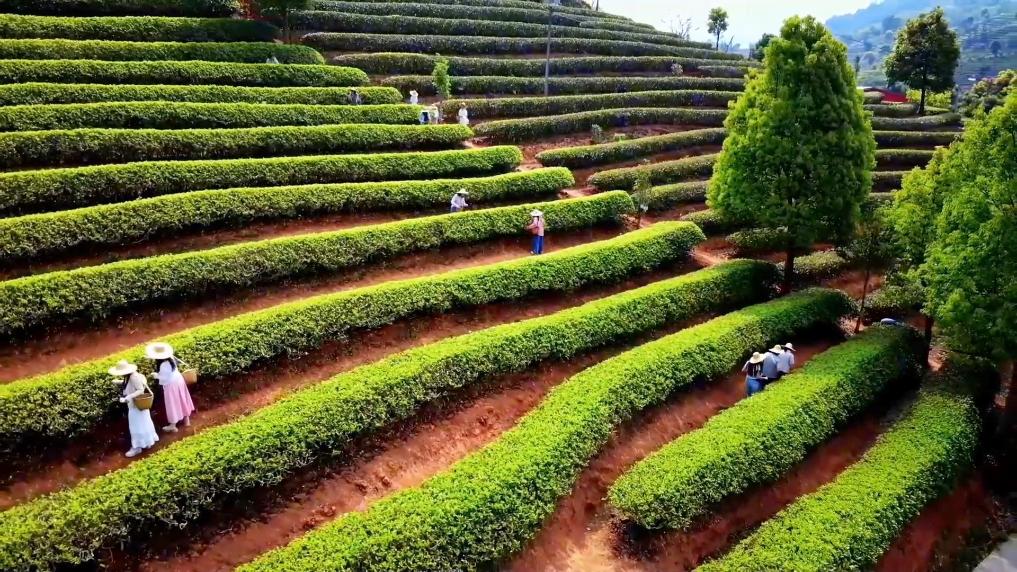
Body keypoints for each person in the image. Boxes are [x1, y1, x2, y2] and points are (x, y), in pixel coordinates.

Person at [109, 359, 158, 458]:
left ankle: (136, 447)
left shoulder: (133, 377)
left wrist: (128, 397)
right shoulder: (128, 376)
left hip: (137, 405)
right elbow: (128, 384)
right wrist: (119, 382)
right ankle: (145, 443)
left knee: (136, 426)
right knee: (142, 424)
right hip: (136, 405)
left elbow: (140, 390)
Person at [146, 342, 195, 434]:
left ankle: (173, 426)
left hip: (171, 385)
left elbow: (164, 377)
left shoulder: (163, 364)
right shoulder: (171, 358)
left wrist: (156, 375)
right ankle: (186, 421)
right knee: (182, 400)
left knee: (172, 404)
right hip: (179, 380)